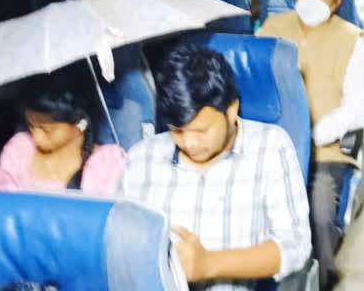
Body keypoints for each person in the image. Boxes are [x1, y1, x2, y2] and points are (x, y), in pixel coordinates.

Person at [121, 46, 310, 289]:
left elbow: (295, 245)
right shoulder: (142, 159)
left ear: (231, 109)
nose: (190, 142)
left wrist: (208, 264)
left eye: (201, 130)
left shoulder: (269, 147)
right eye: (177, 130)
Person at [258, 0, 364, 290]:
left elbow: (362, 106)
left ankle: (322, 277)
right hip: (268, 148)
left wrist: (318, 132)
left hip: (323, 153)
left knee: (319, 216)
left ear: (336, 2)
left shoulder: (351, 39)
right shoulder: (271, 28)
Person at [0, 82, 124, 196]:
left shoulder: (105, 162)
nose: (36, 137)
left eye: (46, 130)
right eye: (31, 125)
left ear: (79, 123)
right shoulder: (20, 147)